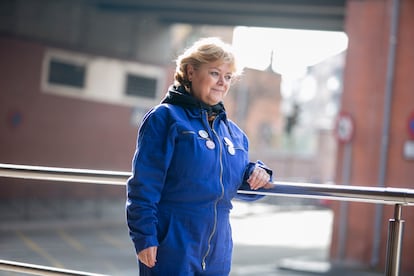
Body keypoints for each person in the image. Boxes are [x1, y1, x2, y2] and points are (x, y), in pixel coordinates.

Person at [126, 37, 274, 276]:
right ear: (191, 72)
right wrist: (144, 236)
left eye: (227, 77)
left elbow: (235, 183)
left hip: (219, 247)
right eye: (215, 73)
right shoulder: (165, 118)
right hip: (173, 240)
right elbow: (143, 186)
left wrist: (256, 172)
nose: (222, 83)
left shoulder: (234, 134)